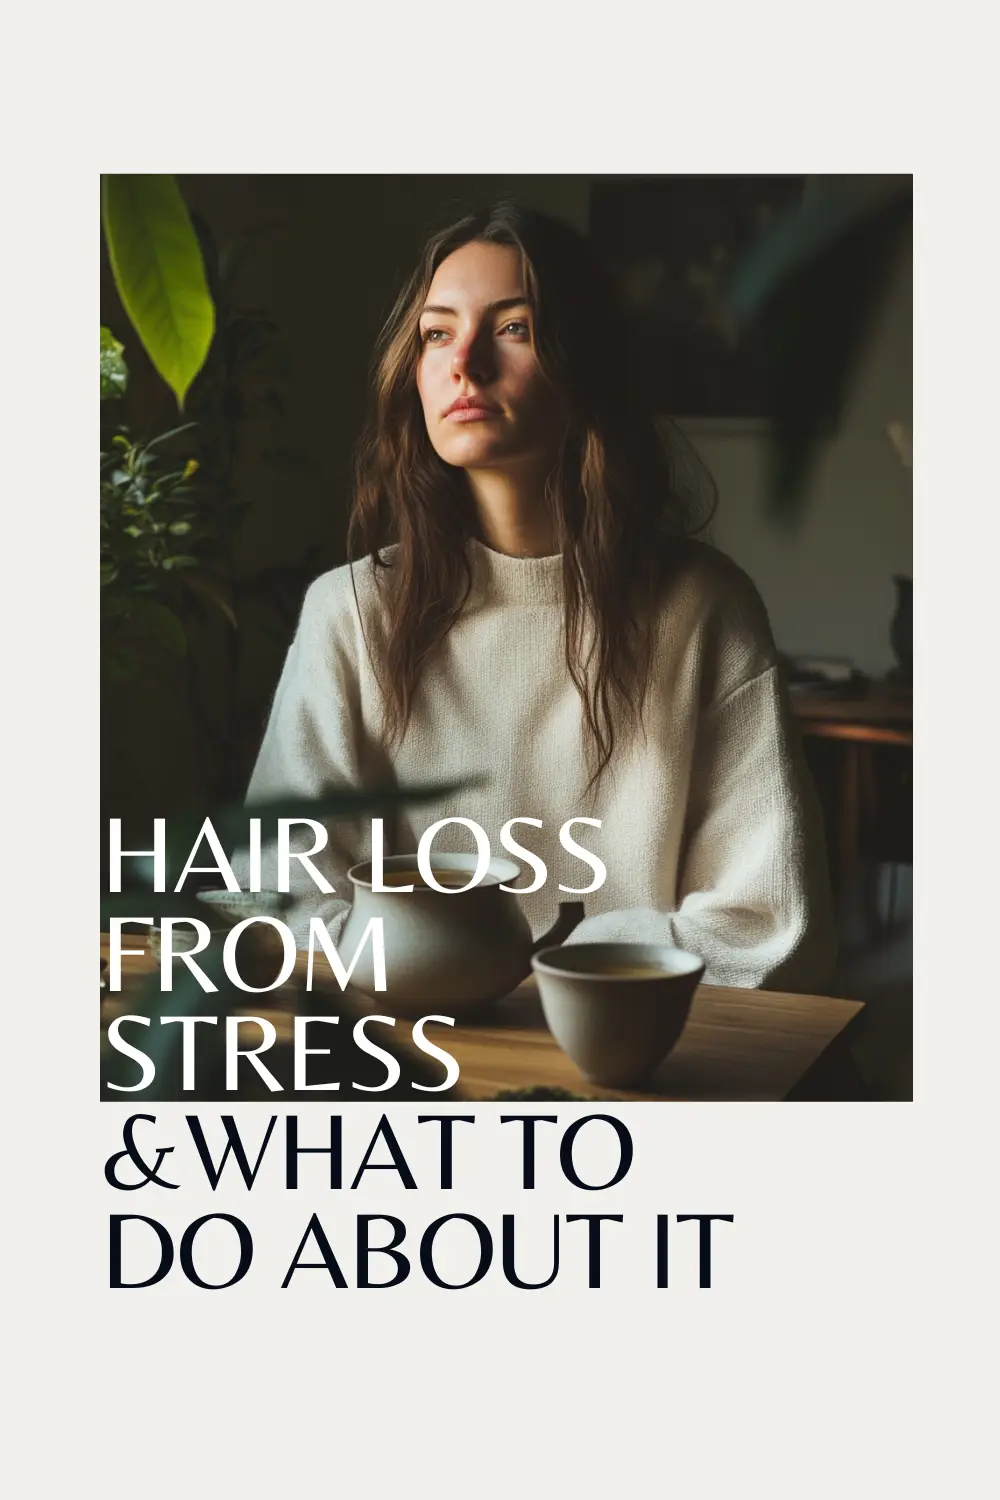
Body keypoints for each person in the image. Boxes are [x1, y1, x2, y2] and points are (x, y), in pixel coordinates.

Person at [244, 201, 835, 991]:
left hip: (636, 1053)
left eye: (514, 328)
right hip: (414, 1049)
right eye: (437, 333)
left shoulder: (703, 608)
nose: (467, 363)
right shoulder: (348, 611)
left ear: (583, 361)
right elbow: (269, 896)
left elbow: (772, 930)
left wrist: (539, 966)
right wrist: (457, 971)